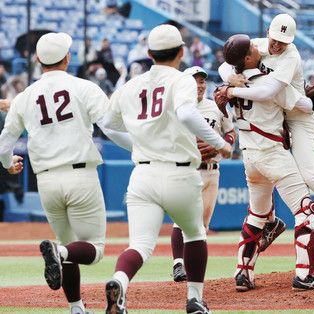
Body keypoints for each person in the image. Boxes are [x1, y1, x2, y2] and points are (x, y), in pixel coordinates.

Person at [101, 24, 232, 314]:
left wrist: (134, 144)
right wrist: (220, 143)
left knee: (140, 246)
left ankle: (119, 282)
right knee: (196, 234)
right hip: (180, 172)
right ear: (182, 52)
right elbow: (186, 113)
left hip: (143, 174)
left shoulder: (130, 85)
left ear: (149, 53)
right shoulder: (181, 80)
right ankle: (194, 299)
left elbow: (106, 125)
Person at [0, 32, 131, 314]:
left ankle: (76, 308)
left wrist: (8, 163)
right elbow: (109, 128)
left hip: (46, 180)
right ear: (68, 58)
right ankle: (58, 253)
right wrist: (140, 149)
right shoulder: (84, 87)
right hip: (80, 175)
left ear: (37, 60)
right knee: (92, 251)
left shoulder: (24, 96)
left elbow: (3, 144)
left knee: (69, 248)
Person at [218, 13, 314, 255]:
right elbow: (226, 62)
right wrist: (230, 75)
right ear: (267, 32)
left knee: (311, 177)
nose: (277, 45)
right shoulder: (258, 46)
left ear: (291, 41)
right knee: (267, 171)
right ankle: (279, 224)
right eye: (275, 39)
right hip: (278, 116)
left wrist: (233, 89)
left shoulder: (291, 56)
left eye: (283, 41)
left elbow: (269, 92)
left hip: (297, 117)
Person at [221, 34, 314, 291]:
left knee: (257, 215)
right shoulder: (267, 82)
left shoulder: (230, 82)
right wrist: (310, 100)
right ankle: (305, 276)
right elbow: (304, 104)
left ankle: (243, 273)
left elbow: (228, 72)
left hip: (249, 156)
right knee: (307, 213)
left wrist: (229, 85)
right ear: (247, 58)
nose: (256, 46)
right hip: (271, 153)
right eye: (251, 47)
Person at [171, 66, 236, 282]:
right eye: (194, 81)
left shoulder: (215, 107)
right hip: (186, 169)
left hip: (212, 171)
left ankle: (192, 268)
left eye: (201, 81)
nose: (199, 85)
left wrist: (220, 146)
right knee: (181, 220)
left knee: (203, 226)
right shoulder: (177, 107)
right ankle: (178, 265)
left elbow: (231, 133)